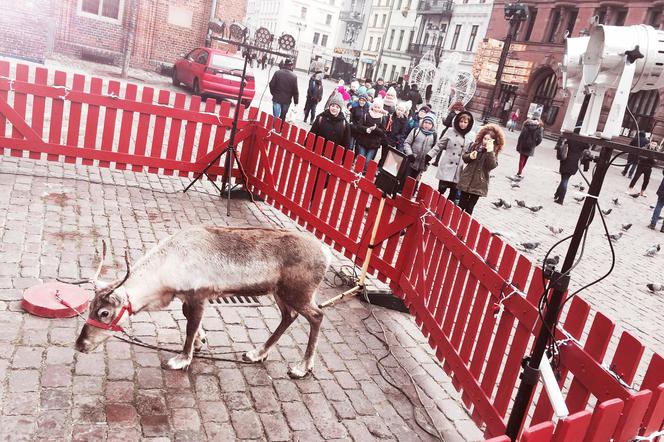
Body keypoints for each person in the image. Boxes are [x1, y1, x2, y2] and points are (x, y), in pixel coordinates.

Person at [426, 111, 475, 202]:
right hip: (447, 166)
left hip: (459, 169)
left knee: (452, 196)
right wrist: (429, 155)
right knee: (440, 192)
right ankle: (434, 208)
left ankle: (444, 213)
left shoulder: (471, 136)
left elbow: (470, 151)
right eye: (461, 121)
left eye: (465, 122)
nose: (463, 124)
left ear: (469, 123)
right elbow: (439, 145)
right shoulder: (450, 131)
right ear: (457, 121)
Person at [457, 124, 505, 215]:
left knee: (470, 206)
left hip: (479, 182)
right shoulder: (475, 146)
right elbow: (465, 158)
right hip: (467, 178)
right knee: (461, 204)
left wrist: (489, 152)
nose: (486, 141)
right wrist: (470, 156)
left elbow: (491, 165)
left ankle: (464, 224)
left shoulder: (493, 152)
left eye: (489, 140)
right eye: (485, 139)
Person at [402, 112, 438, 184]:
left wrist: (429, 156)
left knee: (415, 181)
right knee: (405, 179)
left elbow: (436, 148)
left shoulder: (434, 135)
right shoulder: (416, 131)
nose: (427, 125)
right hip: (411, 160)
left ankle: (412, 192)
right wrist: (410, 154)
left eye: (429, 123)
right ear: (422, 122)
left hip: (422, 163)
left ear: (433, 125)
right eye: (425, 122)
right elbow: (407, 143)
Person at [354, 97, 387, 171]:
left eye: (378, 107)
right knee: (361, 159)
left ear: (381, 108)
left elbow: (383, 132)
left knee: (367, 161)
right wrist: (366, 129)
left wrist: (375, 129)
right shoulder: (366, 115)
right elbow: (359, 126)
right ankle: (357, 173)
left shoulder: (382, 118)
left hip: (374, 144)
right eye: (375, 107)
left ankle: (364, 174)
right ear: (372, 106)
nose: (376, 109)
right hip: (363, 141)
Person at [553, 138, 588, 205]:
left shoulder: (570, 137)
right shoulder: (584, 141)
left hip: (566, 159)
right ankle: (557, 194)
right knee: (565, 179)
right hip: (576, 162)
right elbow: (588, 148)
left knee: (564, 179)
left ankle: (561, 199)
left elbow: (560, 145)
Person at [433, 101, 465, 166]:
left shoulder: (452, 114)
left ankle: (436, 161)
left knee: (441, 146)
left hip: (447, 131)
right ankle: (447, 163)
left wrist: (443, 120)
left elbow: (446, 123)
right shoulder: (462, 115)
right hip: (456, 133)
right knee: (451, 149)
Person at [515, 113, 544, 177]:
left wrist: (519, 143)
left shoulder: (526, 124)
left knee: (522, 158)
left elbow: (521, 135)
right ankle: (520, 171)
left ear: (532, 117)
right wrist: (535, 144)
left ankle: (519, 172)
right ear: (539, 118)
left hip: (523, 143)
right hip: (531, 145)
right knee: (526, 158)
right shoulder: (540, 127)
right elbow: (540, 139)